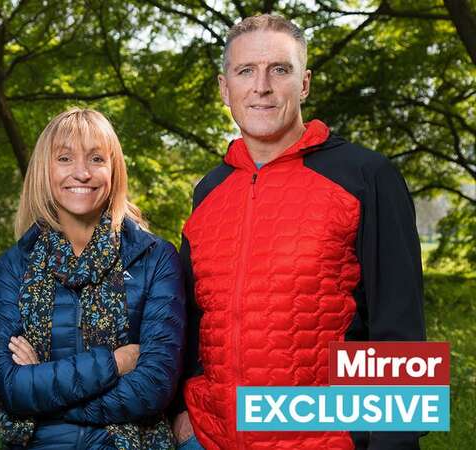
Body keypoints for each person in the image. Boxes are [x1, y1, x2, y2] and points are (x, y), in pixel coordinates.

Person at [172, 14, 426, 450]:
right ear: (224, 87)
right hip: (212, 439)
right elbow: (196, 319)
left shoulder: (366, 176)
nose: (262, 86)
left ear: (304, 83)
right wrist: (184, 407)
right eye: (246, 71)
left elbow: (400, 330)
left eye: (280, 69)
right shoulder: (209, 191)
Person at [0, 108, 186, 449]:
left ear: (114, 170)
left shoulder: (155, 258)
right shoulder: (14, 266)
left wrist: (45, 396)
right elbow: (11, 386)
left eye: (96, 159)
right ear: (44, 171)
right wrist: (115, 362)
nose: (81, 173)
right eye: (65, 158)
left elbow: (153, 387)